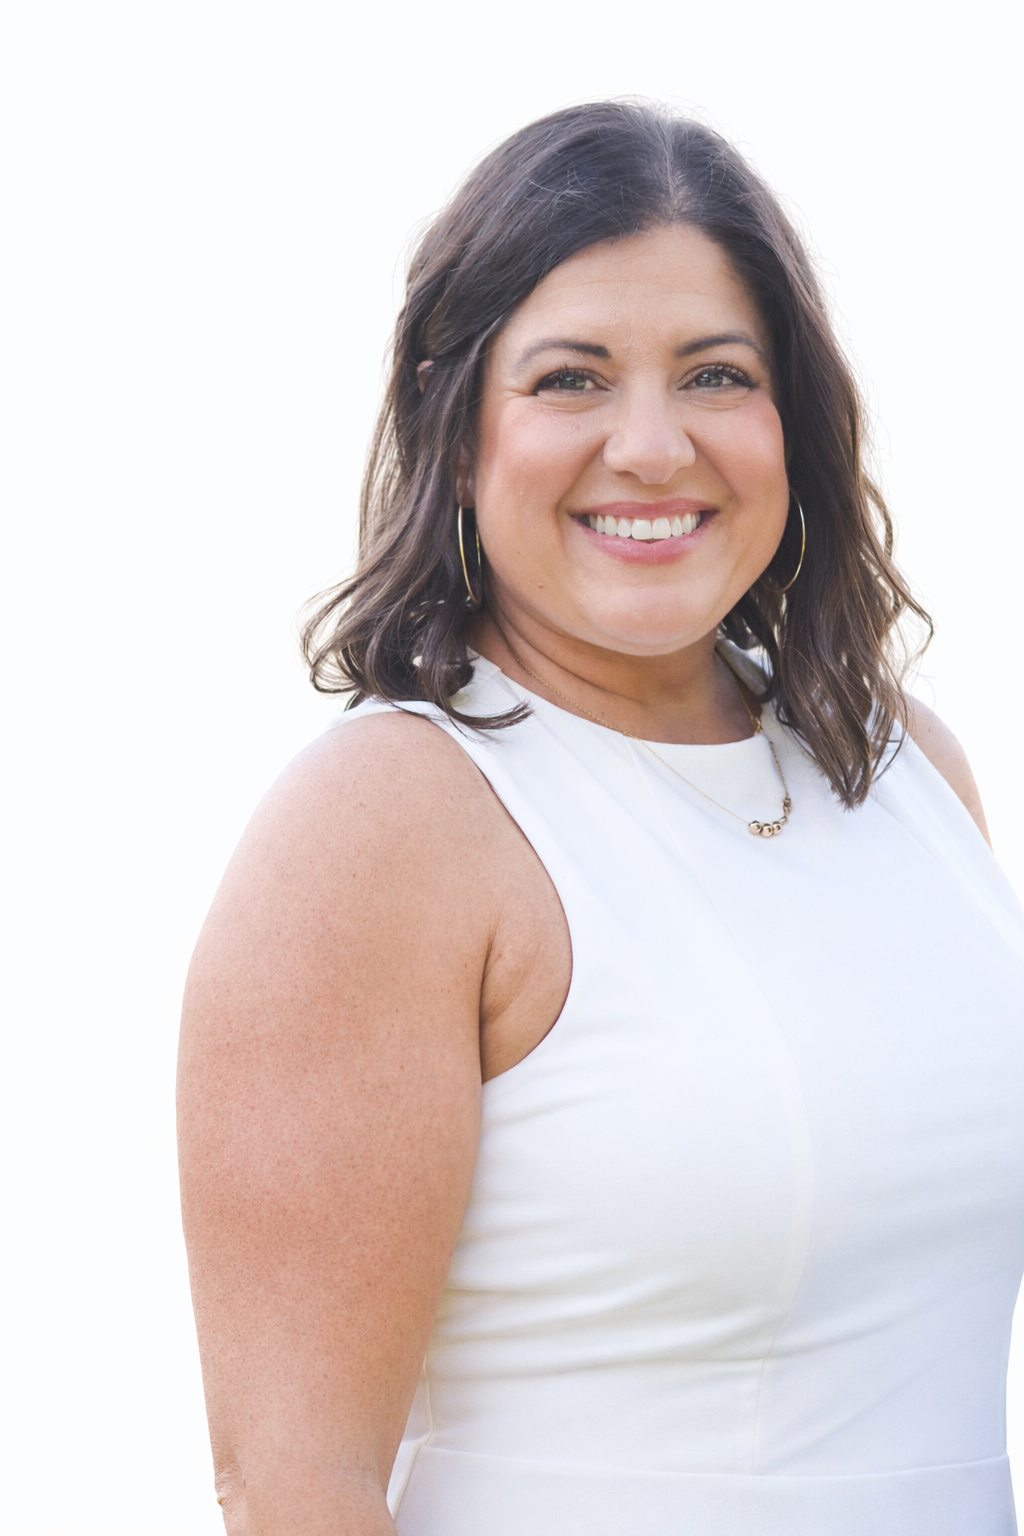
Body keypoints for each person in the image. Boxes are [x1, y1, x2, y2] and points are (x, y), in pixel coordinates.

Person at [177, 102, 1024, 1535]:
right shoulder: (389, 824)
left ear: (788, 425)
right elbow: (291, 1486)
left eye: (714, 373)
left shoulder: (903, 770)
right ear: (458, 433)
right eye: (572, 379)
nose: (651, 444)